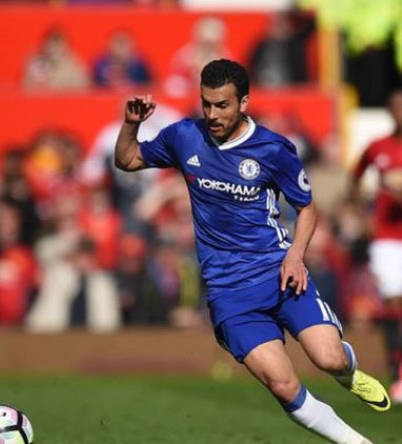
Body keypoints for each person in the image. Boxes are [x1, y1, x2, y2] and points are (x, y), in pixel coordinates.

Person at [114, 59, 389, 444]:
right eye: (206, 104)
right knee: (282, 384)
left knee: (330, 359)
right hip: (229, 292)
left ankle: (349, 374)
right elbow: (127, 160)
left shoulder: (273, 149)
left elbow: (307, 208)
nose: (212, 114)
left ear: (243, 103)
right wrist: (131, 124)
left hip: (279, 273)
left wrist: (296, 255)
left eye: (222, 105)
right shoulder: (185, 136)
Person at [352, 88, 402, 404]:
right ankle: (398, 374)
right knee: (394, 302)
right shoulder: (377, 147)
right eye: (396, 107)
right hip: (386, 237)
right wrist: (364, 215)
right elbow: (355, 178)